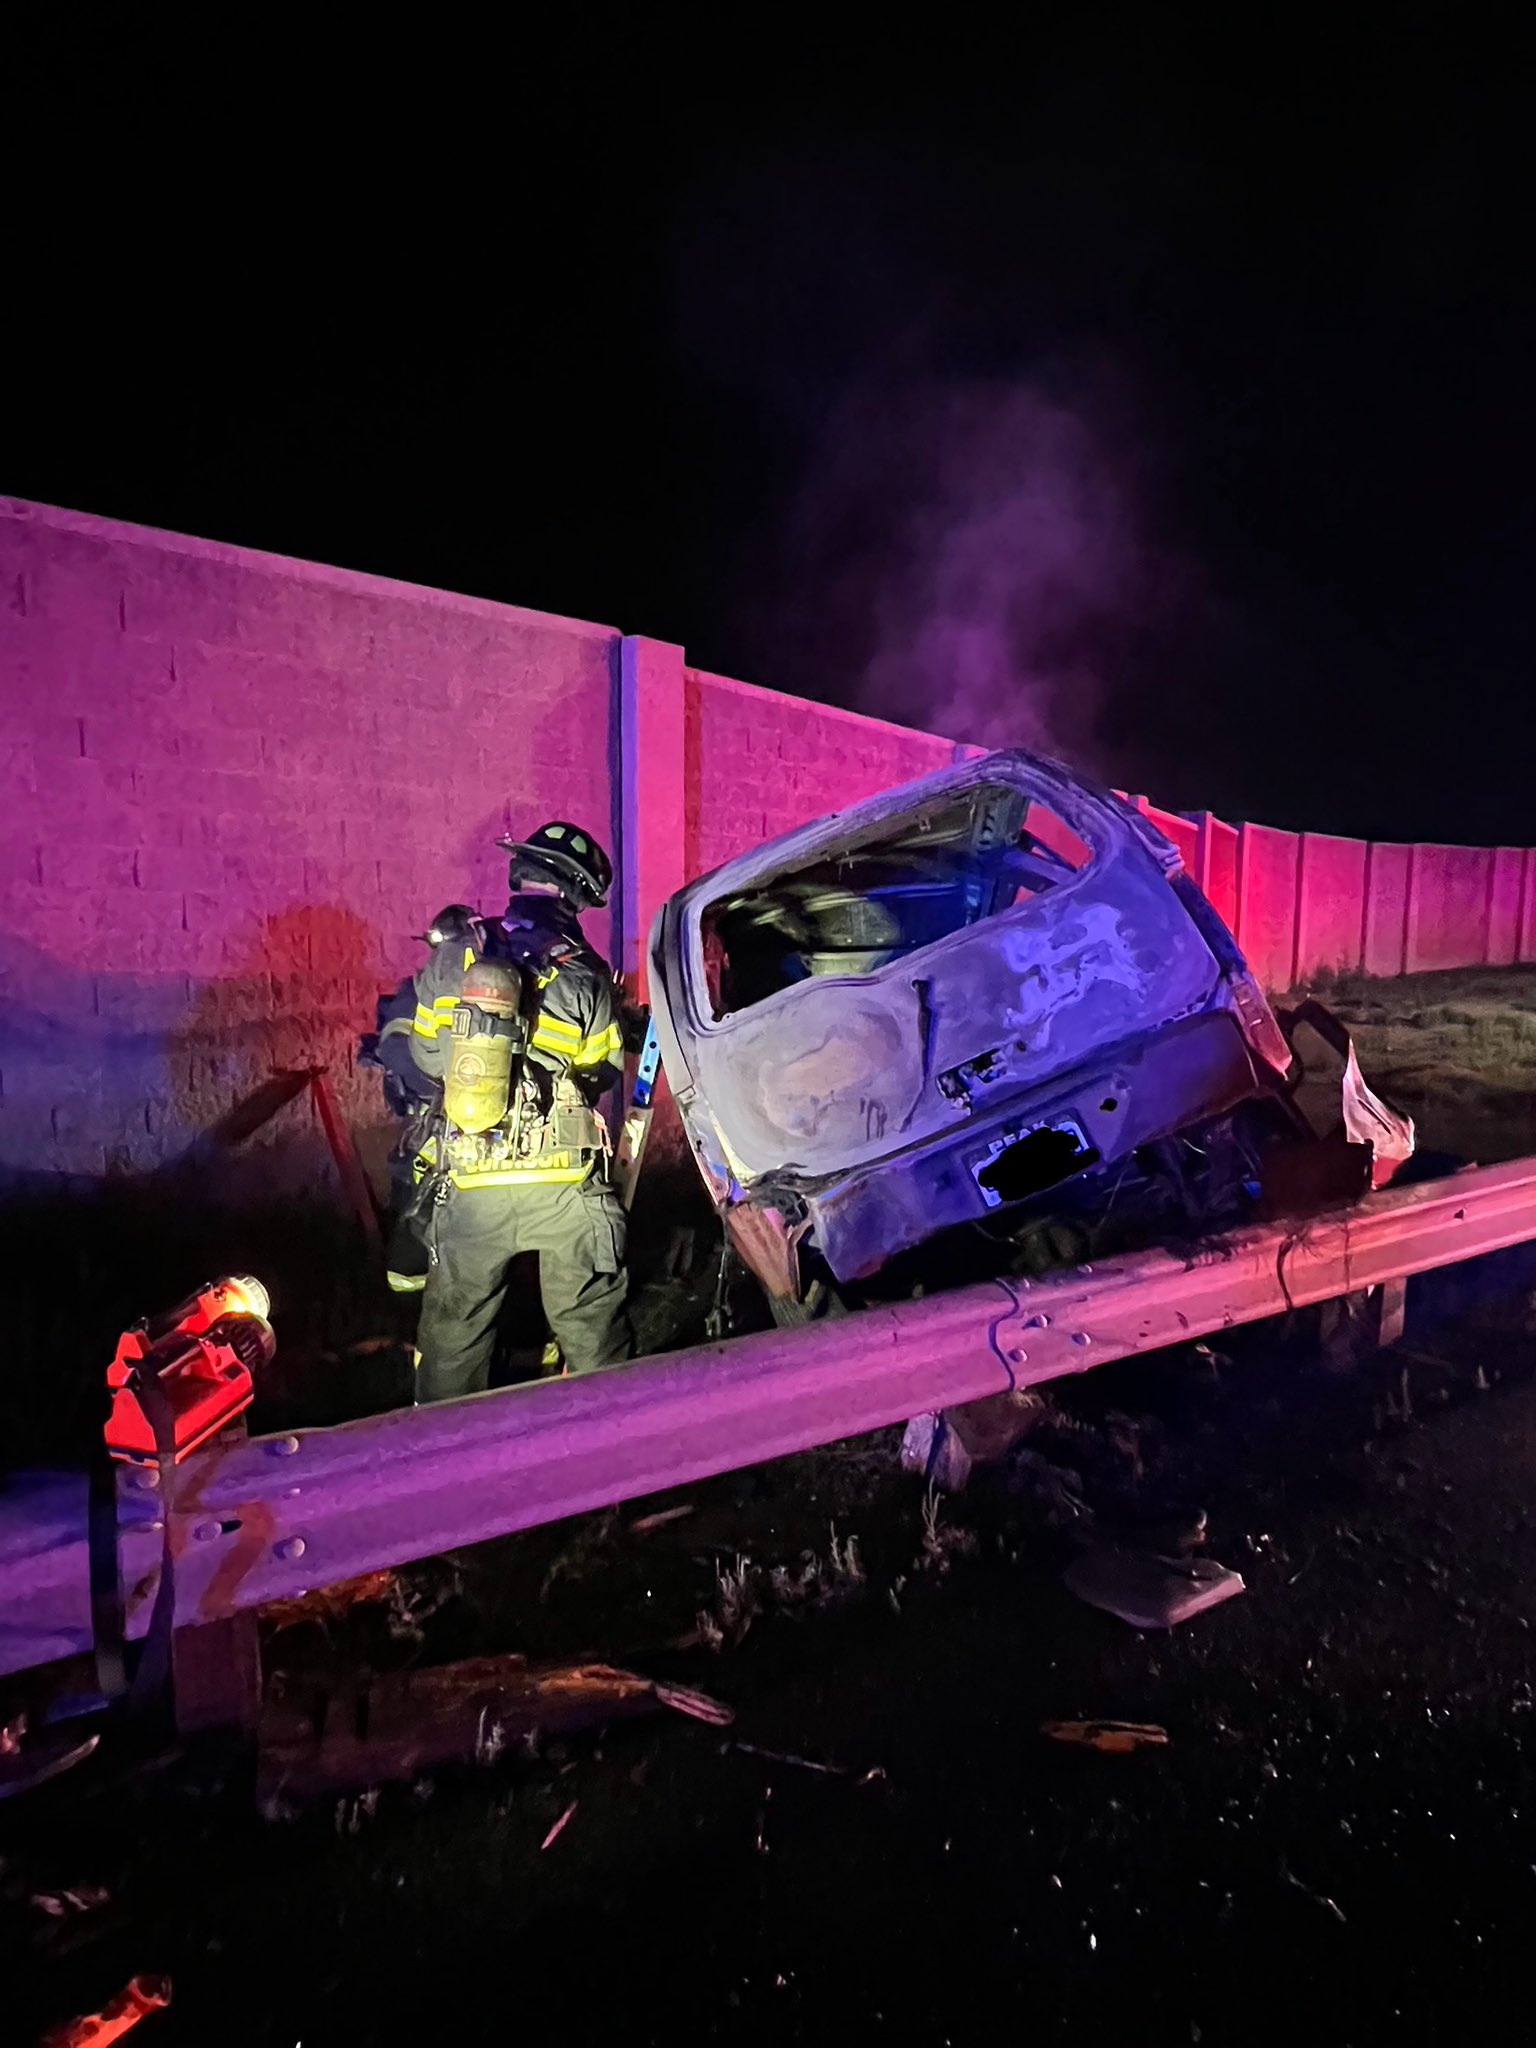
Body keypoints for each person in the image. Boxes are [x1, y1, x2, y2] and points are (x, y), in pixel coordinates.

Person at [406, 823, 632, 1401]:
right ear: (577, 894)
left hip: (473, 1175)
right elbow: (600, 1072)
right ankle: (618, 1460)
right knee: (591, 1328)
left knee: (456, 1333)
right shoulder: (586, 970)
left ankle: (445, 1462)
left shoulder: (458, 952)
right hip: (563, 1185)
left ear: (520, 875)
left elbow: (427, 1053)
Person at [360, 905, 483, 1294]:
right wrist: (443, 1096)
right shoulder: (420, 991)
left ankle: (433, 1295)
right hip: (434, 1125)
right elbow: (397, 1051)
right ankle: (413, 1297)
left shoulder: (429, 989)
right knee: (419, 1206)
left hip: (454, 1123)